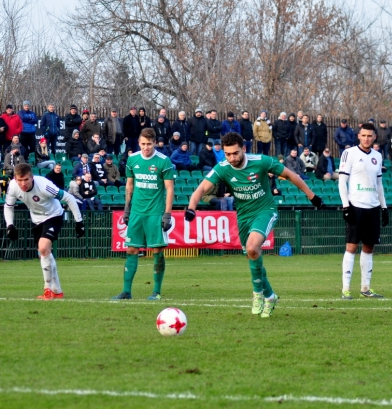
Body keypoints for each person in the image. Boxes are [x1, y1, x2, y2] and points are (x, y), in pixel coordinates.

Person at [186, 132, 324, 317]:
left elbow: (290, 175)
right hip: (243, 216)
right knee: (253, 255)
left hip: (265, 211)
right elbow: (201, 188)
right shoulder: (223, 168)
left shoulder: (261, 161)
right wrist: (191, 208)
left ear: (243, 149)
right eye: (228, 154)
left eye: (235, 153)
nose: (232, 158)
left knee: (252, 248)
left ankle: (257, 294)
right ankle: (269, 295)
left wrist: (311, 195)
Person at [111, 128, 174, 301]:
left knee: (157, 250)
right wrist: (126, 208)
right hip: (137, 212)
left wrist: (167, 214)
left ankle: (156, 291)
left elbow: (169, 189)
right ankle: (126, 291)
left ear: (154, 143)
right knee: (131, 249)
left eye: (149, 144)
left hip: (155, 212)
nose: (146, 147)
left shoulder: (164, 161)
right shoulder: (133, 160)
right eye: (143, 144)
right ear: (139, 143)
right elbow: (129, 185)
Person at [5, 163, 84, 299]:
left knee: (43, 248)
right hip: (36, 220)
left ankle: (47, 290)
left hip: (54, 215)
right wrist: (10, 225)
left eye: (26, 180)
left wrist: (79, 221)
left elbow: (69, 198)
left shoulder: (45, 186)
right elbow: (8, 206)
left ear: (32, 177)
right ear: (15, 179)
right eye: (19, 180)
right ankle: (57, 291)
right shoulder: (12, 186)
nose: (22, 184)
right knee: (44, 254)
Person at [338, 123, 388, 301]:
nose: (367, 138)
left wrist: (384, 207)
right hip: (356, 206)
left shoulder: (377, 156)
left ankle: (365, 288)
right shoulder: (349, 153)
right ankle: (346, 289)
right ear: (359, 136)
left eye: (370, 136)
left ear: (374, 137)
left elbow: (379, 184)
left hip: (373, 207)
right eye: (364, 135)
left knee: (369, 248)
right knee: (351, 247)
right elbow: (342, 182)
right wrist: (345, 206)